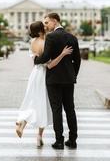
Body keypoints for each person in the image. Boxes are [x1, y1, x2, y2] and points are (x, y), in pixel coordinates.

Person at [16, 21, 73, 148]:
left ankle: (23, 123)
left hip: (34, 75)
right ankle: (38, 136)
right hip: (44, 75)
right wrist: (62, 54)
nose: (46, 27)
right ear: (41, 31)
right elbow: (50, 64)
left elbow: (35, 61)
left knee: (33, 101)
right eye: (44, 27)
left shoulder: (33, 42)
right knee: (43, 104)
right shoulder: (45, 42)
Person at [34, 13, 81, 150]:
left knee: (57, 110)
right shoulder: (72, 37)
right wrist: (73, 75)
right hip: (68, 79)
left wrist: (36, 60)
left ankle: (59, 141)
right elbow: (77, 60)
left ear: (55, 21)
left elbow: (46, 56)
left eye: (47, 22)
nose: (45, 26)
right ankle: (72, 140)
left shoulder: (51, 37)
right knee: (70, 109)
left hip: (53, 79)